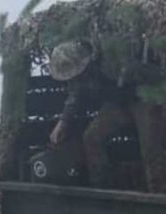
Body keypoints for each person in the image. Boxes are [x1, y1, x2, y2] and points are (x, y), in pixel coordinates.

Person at [48, 39, 166, 193]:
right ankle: (102, 189)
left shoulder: (110, 60)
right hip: (116, 104)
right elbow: (74, 97)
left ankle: (158, 196)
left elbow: (152, 77)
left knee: (151, 148)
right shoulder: (79, 79)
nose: (75, 79)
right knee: (91, 137)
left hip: (142, 99)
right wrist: (63, 122)